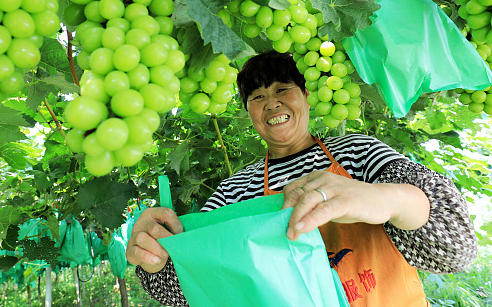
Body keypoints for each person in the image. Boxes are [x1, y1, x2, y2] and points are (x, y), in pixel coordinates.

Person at [126, 50, 478, 306]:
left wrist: (385, 199)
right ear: (248, 112)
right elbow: (195, 289)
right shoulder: (234, 191)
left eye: (282, 89)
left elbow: (457, 249)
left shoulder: (358, 152)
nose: (271, 103)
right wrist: (156, 261)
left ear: (306, 97)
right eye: (258, 97)